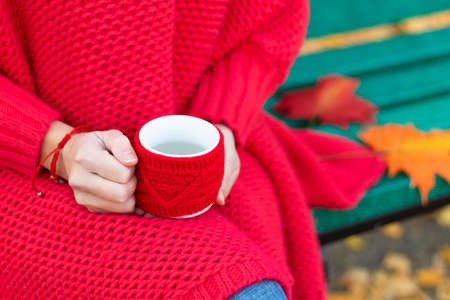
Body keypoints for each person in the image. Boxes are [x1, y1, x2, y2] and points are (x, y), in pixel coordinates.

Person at [0, 0, 385, 299]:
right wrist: (53, 146)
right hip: (25, 169)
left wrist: (225, 118)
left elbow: (271, 20)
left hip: (198, 134)